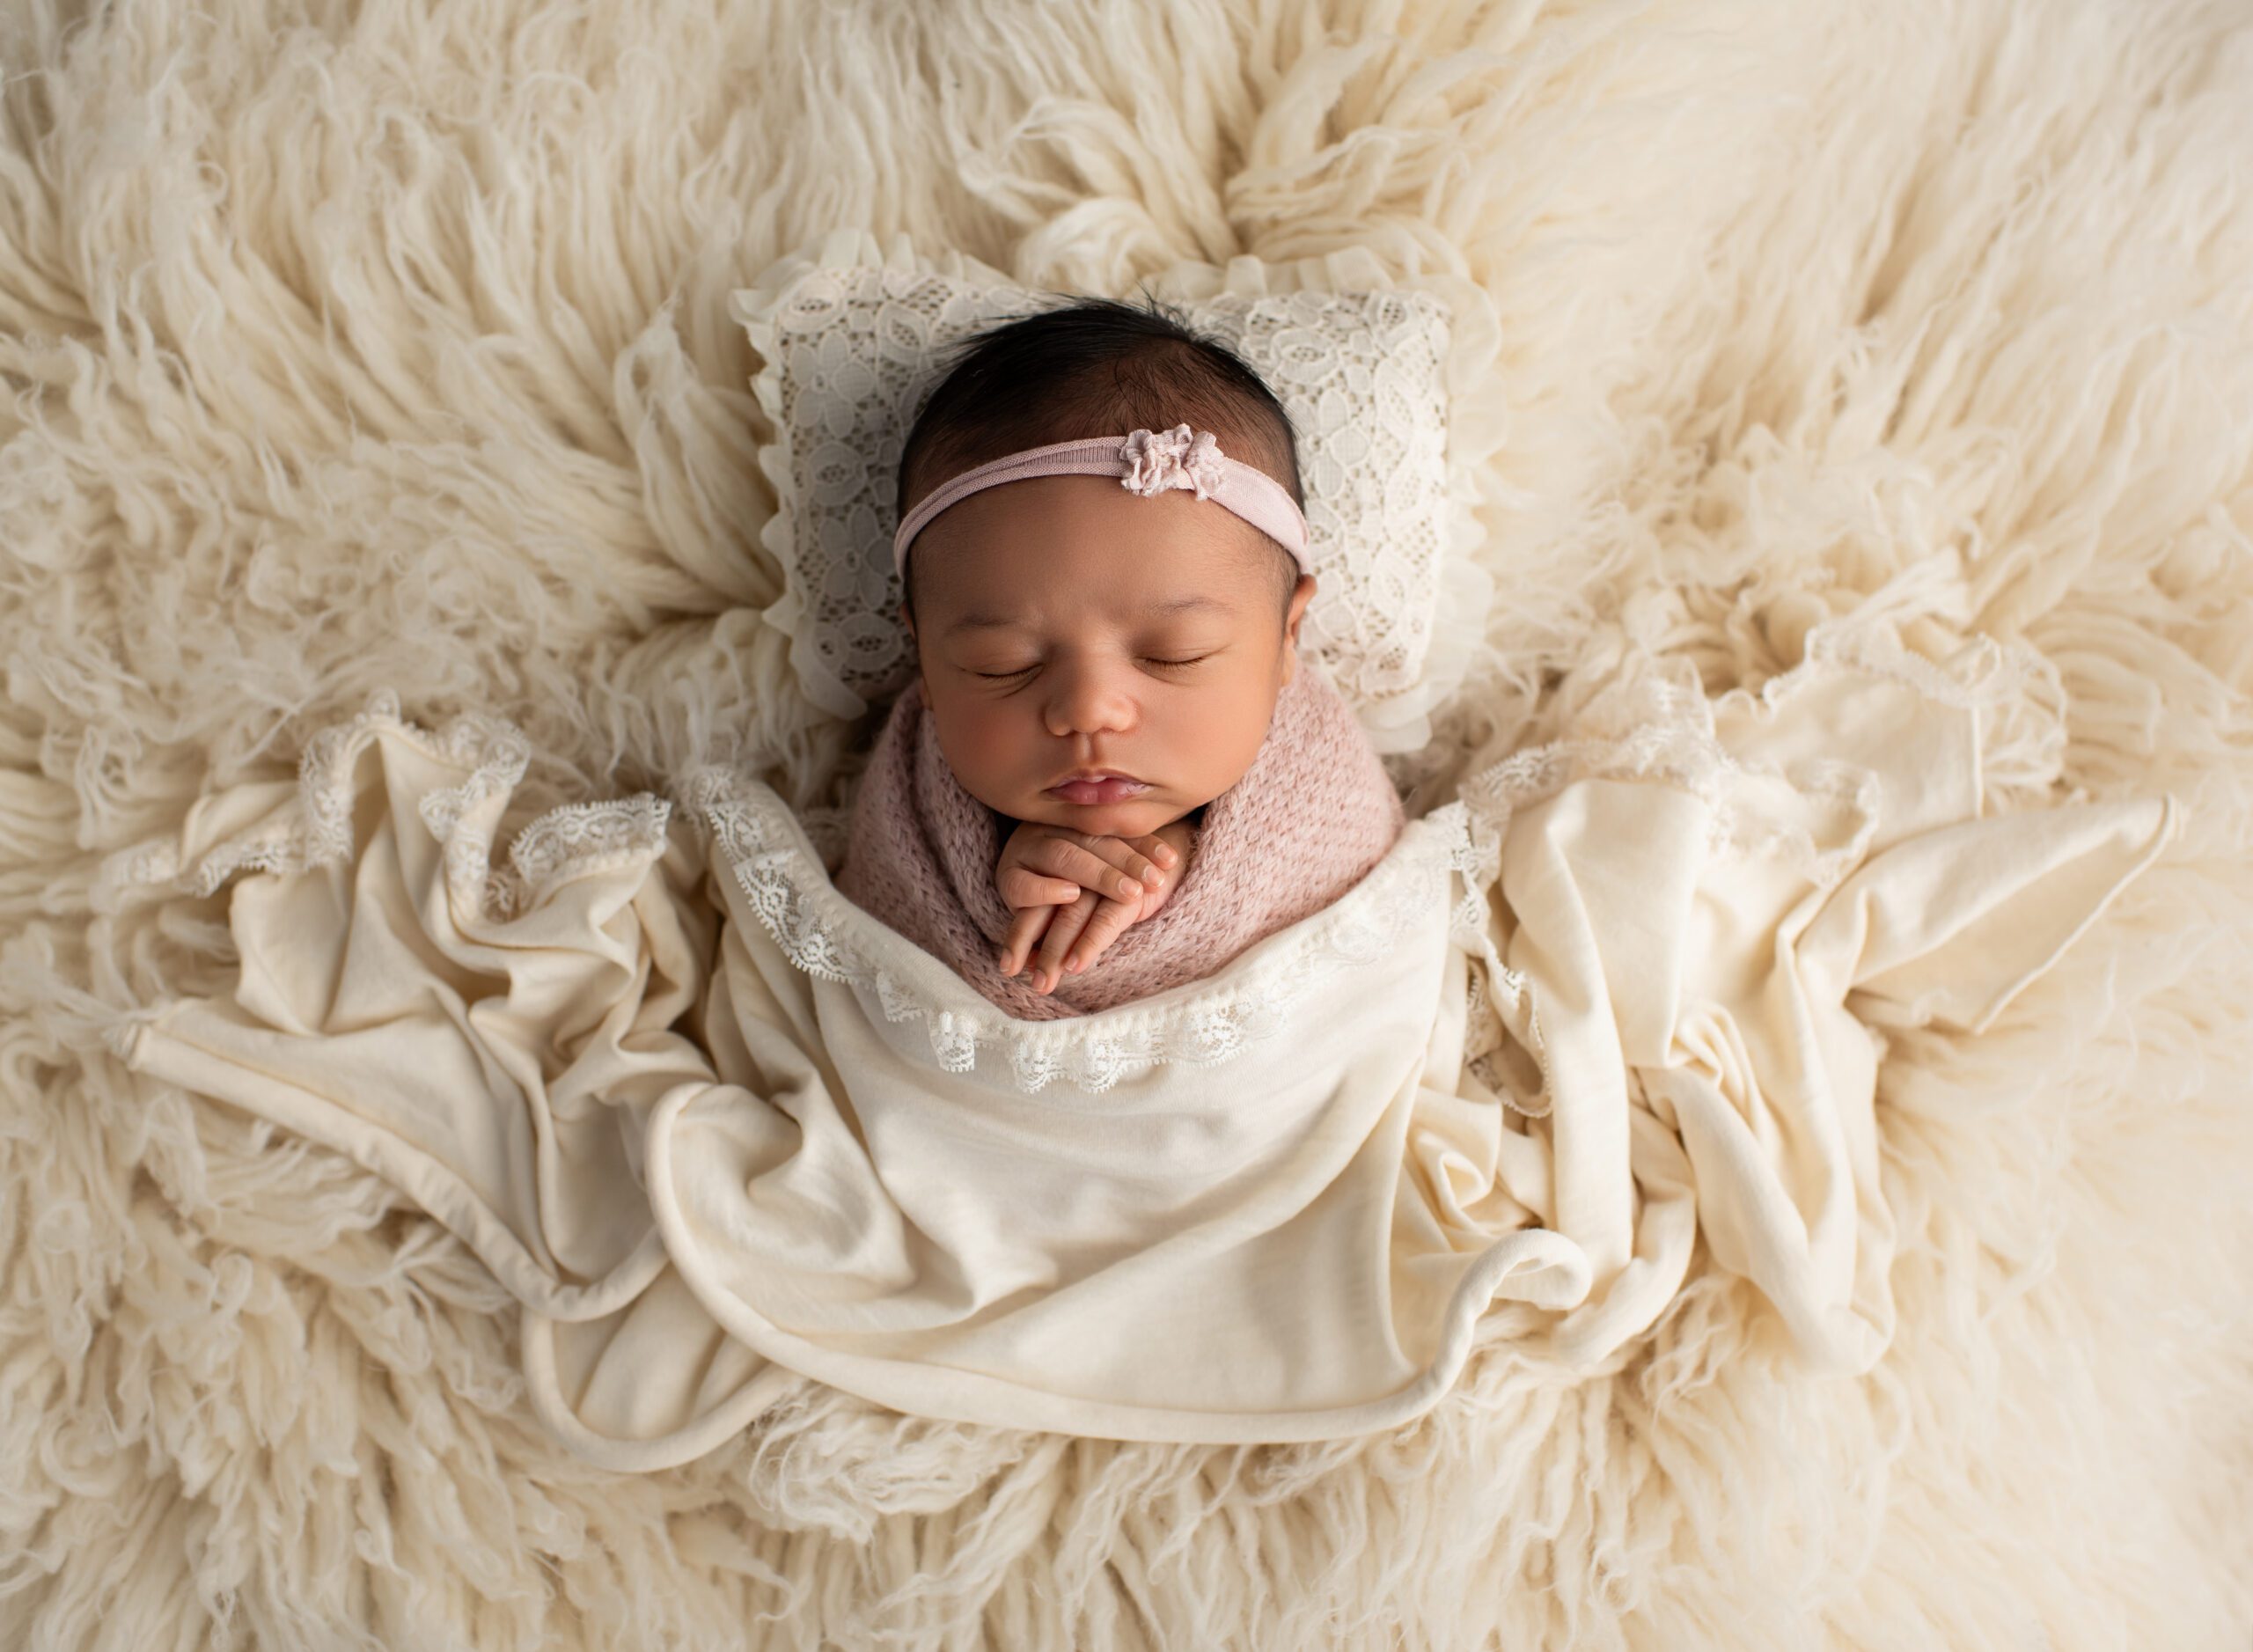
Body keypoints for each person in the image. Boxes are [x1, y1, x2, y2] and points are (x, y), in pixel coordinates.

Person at [835, 292, 1407, 1018]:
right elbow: (874, 935)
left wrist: (1184, 865)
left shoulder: (1321, 787)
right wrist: (995, 877)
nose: (1088, 709)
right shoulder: (910, 805)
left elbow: (1360, 911)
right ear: (923, 656)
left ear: (1287, 637)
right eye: (1002, 663)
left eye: (1174, 654)